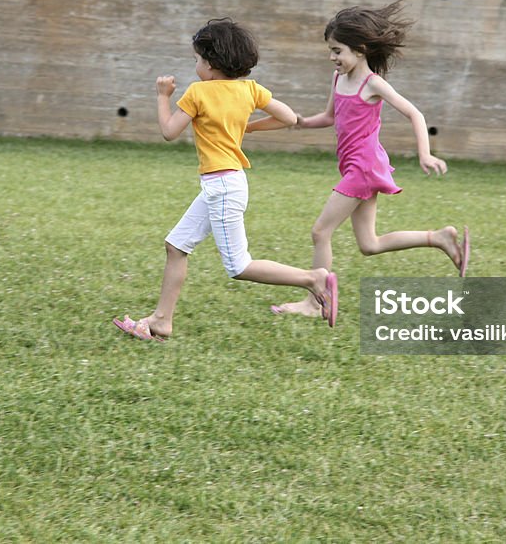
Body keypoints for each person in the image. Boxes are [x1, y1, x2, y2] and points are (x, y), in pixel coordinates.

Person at [113, 18, 339, 341]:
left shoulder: (197, 93)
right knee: (176, 246)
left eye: (197, 60)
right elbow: (289, 118)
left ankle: (313, 278)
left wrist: (163, 97)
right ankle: (161, 321)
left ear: (212, 63)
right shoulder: (249, 89)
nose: (195, 66)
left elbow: (168, 131)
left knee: (239, 266)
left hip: (221, 187)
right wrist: (250, 126)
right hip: (227, 184)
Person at [246, 0, 469, 318]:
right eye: (330, 50)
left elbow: (414, 113)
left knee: (320, 231)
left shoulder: (372, 84)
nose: (332, 57)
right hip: (357, 167)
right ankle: (439, 238)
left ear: (361, 49)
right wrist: (299, 122)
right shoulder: (338, 79)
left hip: (363, 168)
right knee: (370, 244)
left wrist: (424, 153)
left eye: (338, 50)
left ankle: (315, 302)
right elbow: (329, 117)